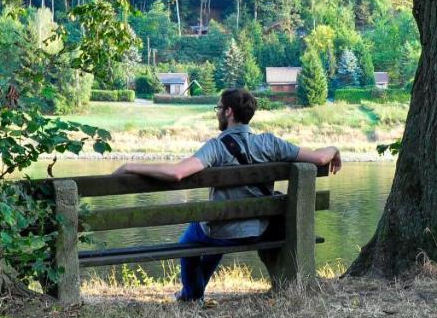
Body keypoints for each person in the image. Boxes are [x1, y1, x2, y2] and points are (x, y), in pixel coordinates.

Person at [114, 88, 342, 301]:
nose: (218, 114)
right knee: (212, 227)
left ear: (229, 112)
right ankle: (193, 292)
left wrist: (130, 167)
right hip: (259, 229)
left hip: (222, 231)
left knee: (191, 239)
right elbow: (321, 159)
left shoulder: (216, 147)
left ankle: (191, 295)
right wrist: (335, 149)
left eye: (219, 109)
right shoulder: (270, 143)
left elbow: (177, 173)